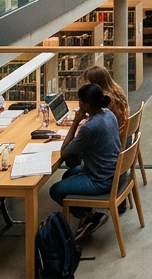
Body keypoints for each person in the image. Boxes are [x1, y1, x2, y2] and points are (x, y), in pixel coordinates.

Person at [50, 82, 122, 240]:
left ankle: (90, 217)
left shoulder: (89, 128)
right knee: (67, 175)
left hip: (101, 178)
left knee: (55, 190)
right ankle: (86, 213)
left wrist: (76, 121)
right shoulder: (108, 114)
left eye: (80, 101)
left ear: (85, 105)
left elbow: (64, 152)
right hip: (114, 170)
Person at [80, 64, 130, 145]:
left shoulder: (106, 99)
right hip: (120, 133)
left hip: (112, 140)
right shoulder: (115, 89)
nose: (86, 86)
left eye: (88, 83)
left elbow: (100, 122)